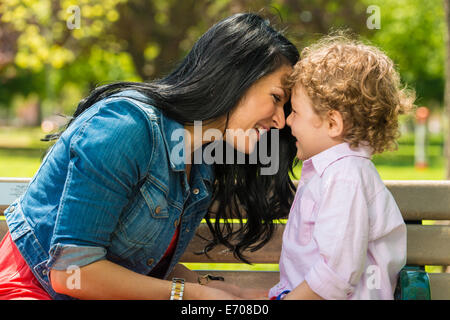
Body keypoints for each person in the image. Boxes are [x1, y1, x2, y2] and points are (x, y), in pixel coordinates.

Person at [0, 13, 299, 300]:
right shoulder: (125, 127)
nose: (280, 121)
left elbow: (140, 263)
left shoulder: (202, 159)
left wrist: (231, 292)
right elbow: (71, 273)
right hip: (30, 289)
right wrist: (190, 294)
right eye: (275, 99)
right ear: (235, 77)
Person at [269, 34, 415, 300]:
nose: (288, 121)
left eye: (296, 112)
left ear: (333, 124)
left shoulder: (344, 176)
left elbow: (336, 274)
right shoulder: (337, 172)